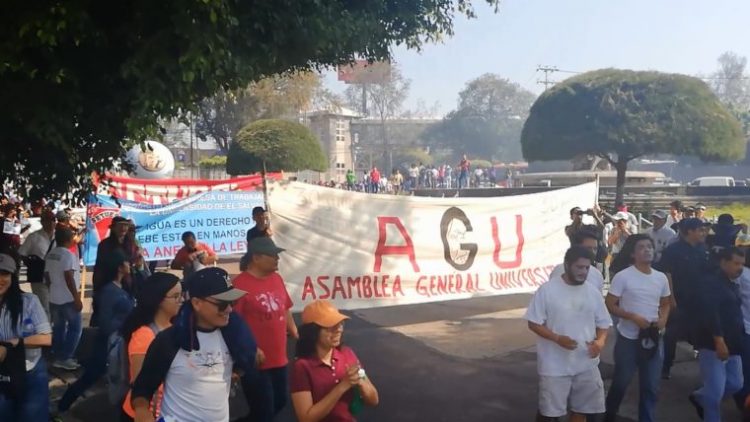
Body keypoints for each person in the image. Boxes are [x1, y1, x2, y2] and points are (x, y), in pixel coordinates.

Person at [130, 268, 257, 422]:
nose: (229, 309)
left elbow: (247, 361)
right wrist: (142, 412)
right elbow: (142, 389)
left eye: (232, 302)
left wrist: (238, 370)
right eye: (222, 304)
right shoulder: (169, 340)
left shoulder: (234, 335)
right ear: (197, 303)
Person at [525, 247, 611, 422]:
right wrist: (557, 339)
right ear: (567, 265)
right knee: (550, 413)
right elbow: (533, 322)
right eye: (579, 267)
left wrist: (600, 342)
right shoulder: (547, 290)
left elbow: (604, 323)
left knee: (583, 410)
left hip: (586, 363)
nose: (583, 272)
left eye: (587, 268)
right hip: (554, 366)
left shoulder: (592, 292)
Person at [604, 234, 671, 422]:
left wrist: (663, 319)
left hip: (653, 338)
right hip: (628, 339)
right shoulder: (623, 276)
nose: (647, 249)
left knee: (650, 386)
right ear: (633, 254)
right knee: (621, 382)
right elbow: (610, 304)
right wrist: (631, 316)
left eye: (650, 246)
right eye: (642, 247)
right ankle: (609, 415)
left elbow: (665, 303)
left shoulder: (660, 278)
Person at [58, 250, 135, 412]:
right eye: (127, 263)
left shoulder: (123, 286)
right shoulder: (109, 291)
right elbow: (106, 321)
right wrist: (124, 326)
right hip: (109, 343)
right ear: (120, 267)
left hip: (118, 341)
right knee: (92, 375)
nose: (130, 265)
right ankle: (63, 405)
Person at [233, 237, 298, 422]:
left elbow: (285, 307)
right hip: (255, 361)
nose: (277, 259)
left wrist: (293, 329)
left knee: (280, 402)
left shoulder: (276, 278)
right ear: (256, 257)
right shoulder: (240, 285)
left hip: (279, 358)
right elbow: (232, 322)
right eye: (273, 255)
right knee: (264, 411)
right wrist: (249, 347)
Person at [291, 300, 379, 422]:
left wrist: (361, 382)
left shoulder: (347, 354)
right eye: (331, 327)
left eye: (340, 324)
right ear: (313, 332)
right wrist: (342, 387)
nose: (339, 330)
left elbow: (374, 400)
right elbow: (306, 418)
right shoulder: (302, 366)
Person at [688, 247, 746, 421]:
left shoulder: (731, 282)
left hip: (734, 343)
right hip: (713, 343)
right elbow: (711, 314)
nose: (740, 268)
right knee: (714, 394)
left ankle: (700, 396)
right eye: (736, 263)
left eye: (742, 264)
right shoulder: (711, 283)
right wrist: (719, 341)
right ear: (723, 262)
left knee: (736, 383)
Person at [120, 273, 183, 422]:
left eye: (182, 295)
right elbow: (139, 384)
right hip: (147, 414)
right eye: (176, 296)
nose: (181, 301)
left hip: (170, 411)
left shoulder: (176, 327)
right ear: (159, 299)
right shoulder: (144, 336)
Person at [656, 218, 712, 379]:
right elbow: (667, 273)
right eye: (700, 230)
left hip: (699, 299)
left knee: (701, 331)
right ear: (689, 232)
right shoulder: (673, 251)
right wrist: (670, 298)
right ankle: (666, 366)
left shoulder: (703, 249)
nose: (703, 233)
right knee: (672, 334)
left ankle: (703, 363)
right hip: (679, 298)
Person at [0, 253, 52, 421]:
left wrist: (14, 343)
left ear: (13, 277)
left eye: (5, 274)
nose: (0, 279)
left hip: (30, 372)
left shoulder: (29, 301)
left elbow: (46, 338)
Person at [45, 228, 83, 370]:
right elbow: (69, 277)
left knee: (59, 328)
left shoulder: (51, 254)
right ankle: (65, 357)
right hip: (67, 298)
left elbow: (47, 277)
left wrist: (51, 289)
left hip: (54, 296)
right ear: (69, 239)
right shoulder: (68, 255)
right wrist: (76, 297)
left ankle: (57, 354)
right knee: (75, 329)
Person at [18, 210, 56, 318]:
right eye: (47, 220)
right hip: (39, 276)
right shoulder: (33, 237)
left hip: (55, 277)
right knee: (44, 306)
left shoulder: (58, 236)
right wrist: (33, 264)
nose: (51, 223)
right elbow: (22, 253)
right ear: (42, 222)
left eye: (53, 220)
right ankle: (45, 331)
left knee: (55, 306)